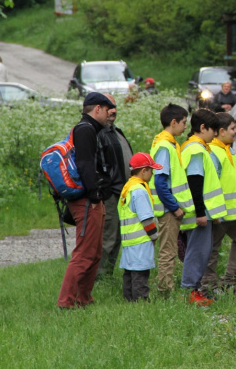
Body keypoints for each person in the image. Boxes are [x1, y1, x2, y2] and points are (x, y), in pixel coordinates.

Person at [57, 92, 115, 309]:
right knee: (84, 252)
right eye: (107, 108)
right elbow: (84, 164)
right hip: (86, 200)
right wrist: (94, 194)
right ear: (96, 109)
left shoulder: (90, 129)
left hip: (91, 199)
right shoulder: (85, 129)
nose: (110, 113)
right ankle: (66, 302)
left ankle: (84, 299)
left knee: (95, 251)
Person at [179, 108, 228, 304]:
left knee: (201, 252)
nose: (215, 134)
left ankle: (194, 290)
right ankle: (190, 291)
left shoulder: (193, 147)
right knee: (197, 252)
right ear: (202, 128)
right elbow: (195, 183)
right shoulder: (196, 150)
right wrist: (201, 213)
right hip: (198, 214)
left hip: (202, 212)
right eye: (212, 130)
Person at [202, 112, 236, 292]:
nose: (235, 132)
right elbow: (209, 186)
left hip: (234, 212)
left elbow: (234, 181)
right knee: (212, 249)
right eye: (233, 128)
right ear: (221, 131)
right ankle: (208, 286)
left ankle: (230, 282)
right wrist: (213, 212)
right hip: (220, 213)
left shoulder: (228, 150)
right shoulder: (213, 152)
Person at [150, 103, 193, 295]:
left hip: (169, 208)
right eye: (184, 123)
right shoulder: (165, 147)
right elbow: (160, 182)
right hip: (167, 210)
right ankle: (165, 292)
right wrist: (174, 207)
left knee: (170, 250)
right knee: (168, 251)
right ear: (173, 122)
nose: (185, 127)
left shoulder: (168, 144)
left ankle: (165, 289)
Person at [97, 94, 134, 278]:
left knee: (118, 236)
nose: (113, 110)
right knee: (108, 237)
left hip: (121, 193)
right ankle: (101, 277)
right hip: (109, 195)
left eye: (114, 106)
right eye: (108, 106)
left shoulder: (115, 130)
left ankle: (108, 275)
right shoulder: (98, 132)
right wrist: (108, 189)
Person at [118, 152, 161, 302]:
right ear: (144, 171)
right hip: (141, 240)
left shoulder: (128, 187)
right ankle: (142, 303)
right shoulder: (140, 191)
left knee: (129, 274)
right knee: (140, 275)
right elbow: (147, 219)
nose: (152, 173)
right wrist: (155, 236)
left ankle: (128, 301)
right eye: (151, 170)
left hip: (128, 241)